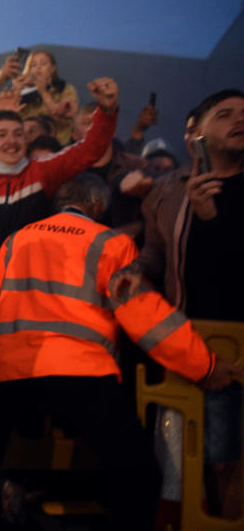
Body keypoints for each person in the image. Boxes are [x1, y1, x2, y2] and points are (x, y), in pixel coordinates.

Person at [0, 173, 244, 531]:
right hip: (84, 372)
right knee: (137, 472)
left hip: (14, 373)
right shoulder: (110, 242)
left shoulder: (18, 240)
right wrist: (205, 366)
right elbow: (146, 316)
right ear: (96, 206)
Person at [133, 89, 244, 519]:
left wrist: (213, 218)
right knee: (187, 461)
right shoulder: (168, 189)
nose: (239, 120)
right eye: (225, 114)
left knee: (229, 463)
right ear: (194, 133)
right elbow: (155, 258)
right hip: (190, 345)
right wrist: (128, 271)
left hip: (239, 345)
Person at [0, 78, 119, 290]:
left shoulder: (42, 170)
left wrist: (107, 109)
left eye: (18, 134)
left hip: (39, 287)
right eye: (1, 135)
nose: (11, 141)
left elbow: (90, 149)